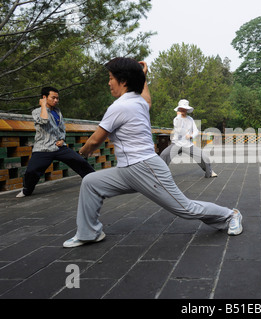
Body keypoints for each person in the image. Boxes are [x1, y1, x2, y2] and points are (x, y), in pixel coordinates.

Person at [63, 58, 243, 248]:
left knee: (185, 209)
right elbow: (148, 100)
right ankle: (89, 233)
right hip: (126, 170)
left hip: (145, 168)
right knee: (91, 183)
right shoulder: (138, 102)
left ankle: (231, 215)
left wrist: (81, 153)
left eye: (110, 78)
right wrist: (144, 77)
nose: (109, 83)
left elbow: (94, 141)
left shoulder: (119, 107)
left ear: (123, 81)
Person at [16, 87, 95, 198]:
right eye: (53, 98)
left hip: (59, 147)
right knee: (32, 171)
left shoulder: (57, 111)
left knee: (79, 161)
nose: (56, 100)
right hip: (43, 148)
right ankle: (27, 190)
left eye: (57, 98)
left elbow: (62, 128)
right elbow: (44, 120)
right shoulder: (37, 111)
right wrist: (43, 105)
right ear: (44, 97)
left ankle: (94, 181)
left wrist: (62, 139)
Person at [160, 99, 217, 178]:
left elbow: (196, 131)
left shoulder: (190, 119)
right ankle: (159, 175)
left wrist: (191, 136)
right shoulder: (176, 119)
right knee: (164, 154)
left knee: (203, 156)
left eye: (184, 109)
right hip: (176, 144)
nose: (183, 110)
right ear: (179, 109)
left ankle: (209, 172)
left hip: (187, 144)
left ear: (187, 109)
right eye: (181, 109)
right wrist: (178, 116)